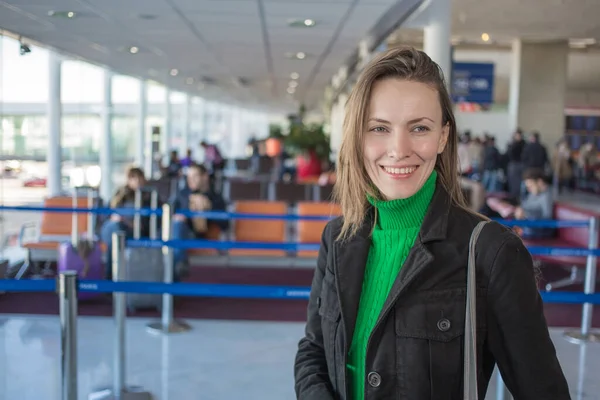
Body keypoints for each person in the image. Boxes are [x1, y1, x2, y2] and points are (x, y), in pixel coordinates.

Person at [294, 47, 569, 399]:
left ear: (442, 136)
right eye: (379, 128)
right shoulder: (338, 238)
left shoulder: (490, 253)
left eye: (419, 128)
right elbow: (313, 351)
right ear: (359, 138)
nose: (399, 149)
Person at [170, 164, 229, 278]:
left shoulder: (216, 198)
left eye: (195, 176)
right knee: (178, 225)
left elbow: (225, 225)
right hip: (181, 234)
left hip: (202, 236)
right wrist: (183, 214)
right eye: (189, 176)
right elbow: (169, 212)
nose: (190, 180)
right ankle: (179, 266)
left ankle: (175, 273)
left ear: (205, 177)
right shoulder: (182, 194)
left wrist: (208, 209)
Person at [100, 167, 153, 279]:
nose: (137, 181)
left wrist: (128, 222)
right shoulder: (120, 194)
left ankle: (112, 277)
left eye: (139, 177)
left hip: (131, 231)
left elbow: (149, 222)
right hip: (112, 227)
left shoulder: (149, 197)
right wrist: (114, 217)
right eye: (133, 178)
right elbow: (105, 213)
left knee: (115, 239)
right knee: (115, 232)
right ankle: (113, 276)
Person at [514, 168, 555, 239]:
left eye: (531, 186)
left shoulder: (546, 196)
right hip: (529, 226)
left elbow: (547, 218)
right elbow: (524, 207)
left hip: (539, 230)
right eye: (528, 187)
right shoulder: (532, 194)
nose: (529, 189)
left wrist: (526, 215)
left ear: (539, 182)